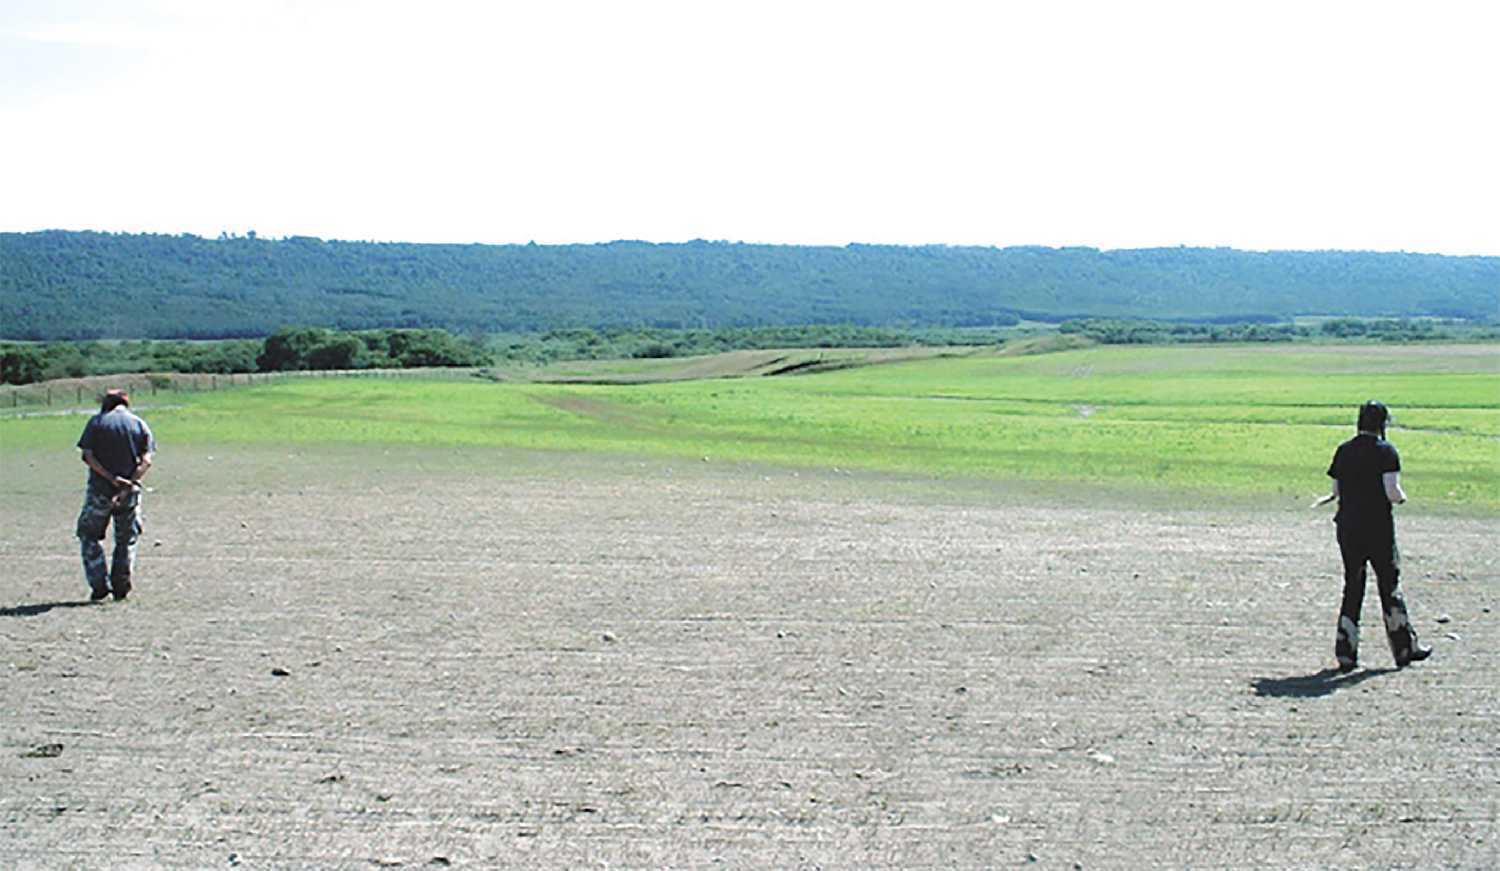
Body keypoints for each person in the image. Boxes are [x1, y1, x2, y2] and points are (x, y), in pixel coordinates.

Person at [1314, 400, 1431, 672]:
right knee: (1389, 586)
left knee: (1353, 585)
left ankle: (1346, 651)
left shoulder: (1344, 451)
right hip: (1378, 528)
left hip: (1348, 527)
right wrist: (1402, 499)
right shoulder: (1386, 451)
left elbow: (1336, 490)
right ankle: (1404, 647)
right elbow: (1392, 491)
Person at [76, 389, 155, 602]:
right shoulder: (139, 424)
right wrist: (129, 482)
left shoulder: (96, 423)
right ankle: (121, 586)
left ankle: (99, 584)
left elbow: (88, 456)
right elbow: (146, 460)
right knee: (126, 539)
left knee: (89, 535)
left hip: (100, 491)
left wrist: (111, 478)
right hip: (129, 493)